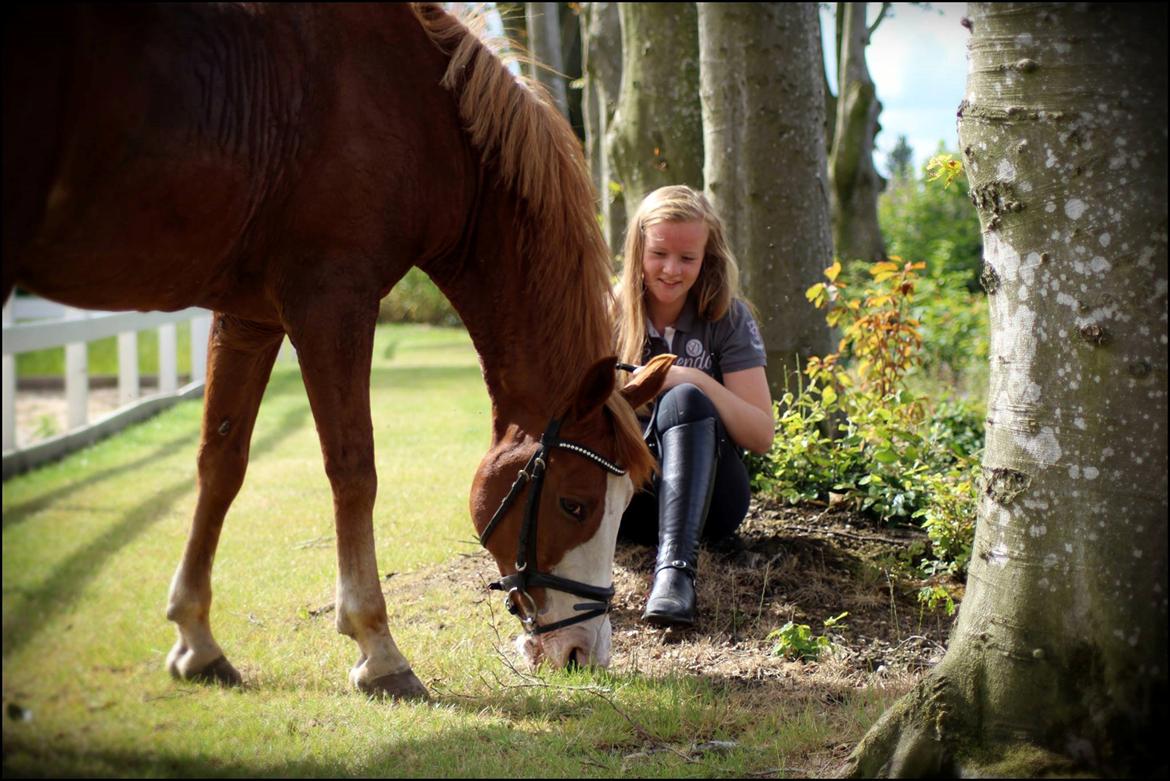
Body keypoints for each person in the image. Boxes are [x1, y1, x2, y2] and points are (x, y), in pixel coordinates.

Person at [614, 185, 774, 627]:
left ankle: (674, 575)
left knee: (685, 397)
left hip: (711, 504)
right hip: (626, 500)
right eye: (659, 254)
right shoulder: (605, 312)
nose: (671, 270)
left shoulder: (729, 317)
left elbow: (761, 436)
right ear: (637, 252)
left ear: (708, 258)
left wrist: (695, 379)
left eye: (688, 259)